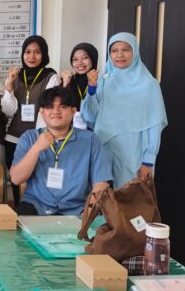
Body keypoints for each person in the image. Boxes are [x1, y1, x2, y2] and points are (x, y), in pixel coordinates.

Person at [81, 32, 167, 188]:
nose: (119, 55)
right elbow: (89, 116)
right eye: (114, 50)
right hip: (102, 148)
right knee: (100, 196)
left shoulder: (149, 84)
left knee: (127, 197)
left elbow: (155, 124)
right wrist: (91, 88)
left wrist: (148, 161)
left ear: (135, 52)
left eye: (126, 49)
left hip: (133, 152)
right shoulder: (102, 80)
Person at [9, 86, 112, 216]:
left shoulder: (91, 140)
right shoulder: (29, 138)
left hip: (77, 209)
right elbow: (16, 179)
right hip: (37, 205)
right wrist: (36, 148)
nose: (56, 111)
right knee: (11, 225)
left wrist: (89, 211)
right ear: (41, 112)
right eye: (50, 107)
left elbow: (101, 184)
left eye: (63, 107)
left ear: (73, 111)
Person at [1, 35, 60, 204]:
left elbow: (48, 109)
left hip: (38, 137)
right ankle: (19, 208)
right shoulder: (16, 76)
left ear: (44, 54)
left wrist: (39, 136)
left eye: (37, 52)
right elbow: (8, 110)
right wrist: (9, 87)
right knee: (16, 178)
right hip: (13, 137)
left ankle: (35, 208)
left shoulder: (51, 77)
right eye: (27, 52)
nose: (32, 56)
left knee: (37, 176)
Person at [60, 43, 99, 130]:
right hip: (69, 131)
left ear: (93, 59)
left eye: (85, 58)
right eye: (75, 59)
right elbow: (59, 106)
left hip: (96, 131)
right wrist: (65, 85)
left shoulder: (101, 81)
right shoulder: (68, 80)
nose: (80, 63)